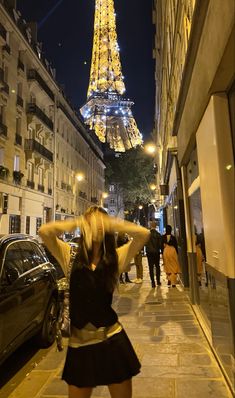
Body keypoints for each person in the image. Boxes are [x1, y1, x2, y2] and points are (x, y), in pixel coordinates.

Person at [39, 206, 150, 398]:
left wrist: (112, 223)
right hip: (79, 345)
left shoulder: (116, 258)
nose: (96, 227)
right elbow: (45, 232)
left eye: (100, 224)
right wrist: (76, 221)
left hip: (112, 341)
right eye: (91, 223)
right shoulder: (70, 255)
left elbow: (143, 234)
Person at [145, 221, 162, 288]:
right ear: (155, 226)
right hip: (156, 252)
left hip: (149, 253)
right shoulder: (158, 234)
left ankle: (153, 282)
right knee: (157, 266)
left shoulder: (147, 234)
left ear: (150, 226)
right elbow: (160, 245)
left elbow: (145, 243)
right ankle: (158, 281)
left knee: (151, 267)